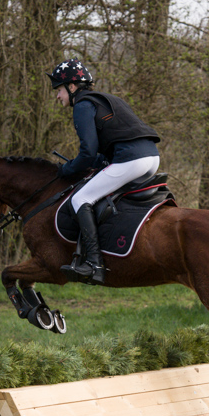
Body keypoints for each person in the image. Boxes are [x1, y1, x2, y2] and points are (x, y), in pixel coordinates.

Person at [47, 59, 161, 285]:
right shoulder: (108, 99)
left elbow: (88, 153)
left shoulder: (82, 105)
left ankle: (95, 264)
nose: (58, 96)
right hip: (151, 158)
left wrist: (66, 170)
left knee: (80, 199)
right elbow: (105, 152)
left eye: (59, 90)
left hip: (131, 160)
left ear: (72, 86)